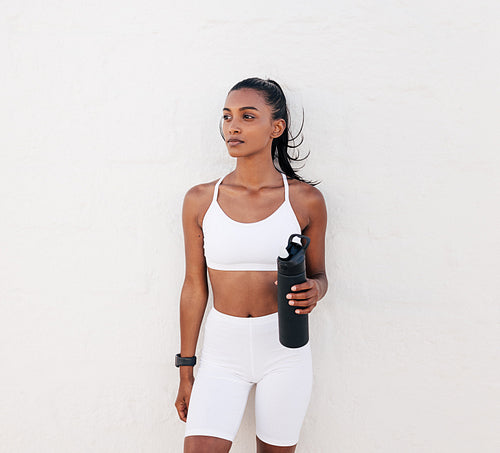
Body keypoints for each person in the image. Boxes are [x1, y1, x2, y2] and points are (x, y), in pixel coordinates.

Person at [174, 77, 328, 453]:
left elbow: (320, 275)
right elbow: (195, 286)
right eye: (227, 117)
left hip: (284, 351)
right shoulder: (200, 199)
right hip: (221, 353)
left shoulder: (305, 200)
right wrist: (186, 368)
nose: (233, 126)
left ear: (276, 128)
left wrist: (316, 290)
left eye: (247, 116)